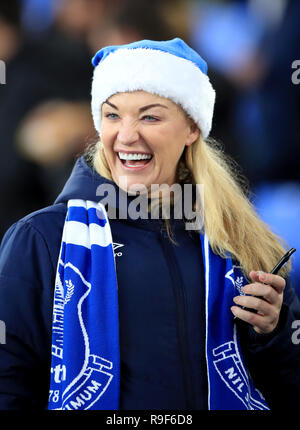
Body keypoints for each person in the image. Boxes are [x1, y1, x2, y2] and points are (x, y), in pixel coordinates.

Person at [0, 37, 300, 411]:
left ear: (192, 128)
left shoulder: (242, 241)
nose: (126, 135)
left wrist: (272, 334)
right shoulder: (42, 239)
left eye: (150, 116)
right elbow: (9, 385)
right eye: (112, 115)